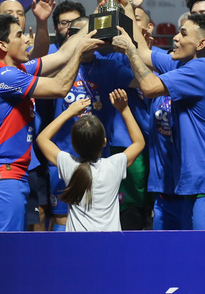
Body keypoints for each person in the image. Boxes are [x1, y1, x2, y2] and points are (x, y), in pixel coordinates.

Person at [0, 13, 103, 231]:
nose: (26, 39)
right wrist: (80, 52)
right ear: (2, 45)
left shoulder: (16, 70)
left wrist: (99, 14)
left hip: (10, 175)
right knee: (2, 254)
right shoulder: (3, 76)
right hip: (0, 176)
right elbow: (59, 87)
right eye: (19, 35)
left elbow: (62, 55)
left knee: (9, 252)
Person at [112, 9, 205, 230]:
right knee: (188, 254)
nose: (175, 37)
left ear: (200, 44)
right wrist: (128, 11)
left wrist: (129, 49)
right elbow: (144, 52)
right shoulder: (185, 64)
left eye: (183, 33)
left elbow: (150, 87)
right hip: (195, 181)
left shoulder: (202, 68)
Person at [36, 89, 145, 231]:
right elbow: (139, 143)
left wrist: (68, 112)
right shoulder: (114, 165)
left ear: (73, 144)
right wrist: (124, 109)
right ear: (104, 142)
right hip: (109, 247)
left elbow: (42, 139)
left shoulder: (69, 165)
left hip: (77, 247)